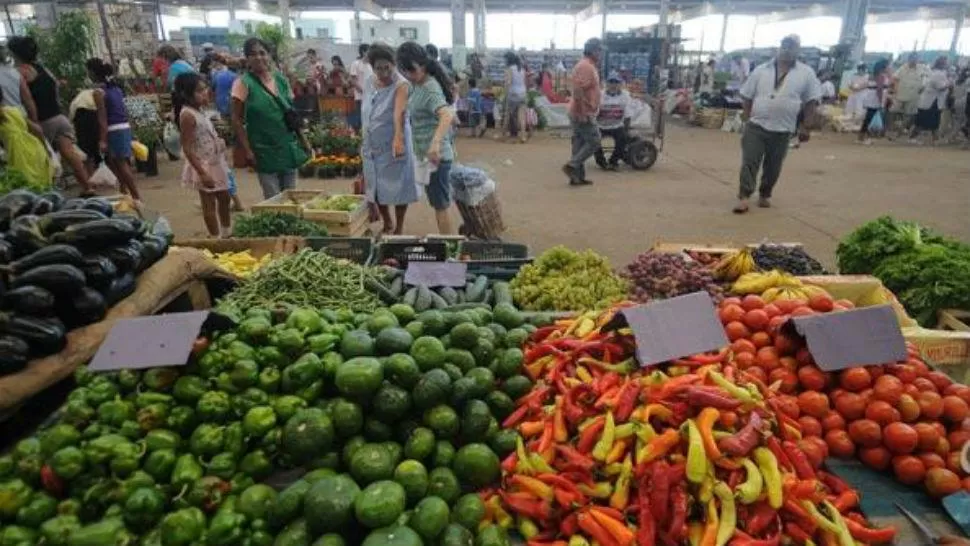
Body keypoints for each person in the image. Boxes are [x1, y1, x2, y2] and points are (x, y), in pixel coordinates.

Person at [733, 35, 820, 213]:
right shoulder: (761, 70)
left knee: (773, 166)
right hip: (756, 125)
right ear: (778, 48)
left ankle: (765, 193)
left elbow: (811, 101)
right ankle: (744, 196)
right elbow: (747, 95)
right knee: (750, 161)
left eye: (792, 46)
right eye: (784, 45)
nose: (787, 49)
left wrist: (806, 126)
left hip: (783, 128)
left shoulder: (806, 73)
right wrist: (748, 117)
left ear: (798, 50)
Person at [7, 36, 92, 194]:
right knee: (70, 155)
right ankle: (88, 187)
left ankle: (48, 192)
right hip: (59, 118)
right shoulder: (43, 69)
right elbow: (56, 88)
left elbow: (27, 100)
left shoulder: (20, 72)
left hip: (43, 122)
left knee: (41, 158)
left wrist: (32, 121)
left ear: (15, 54)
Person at [231, 37, 309, 199]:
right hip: (263, 150)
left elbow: (291, 114)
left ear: (269, 56)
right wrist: (247, 150)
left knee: (291, 196)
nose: (258, 57)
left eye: (262, 53)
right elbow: (236, 119)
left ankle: (290, 225)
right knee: (273, 198)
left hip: (287, 145)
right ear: (247, 58)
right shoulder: (243, 84)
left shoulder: (280, 80)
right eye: (253, 54)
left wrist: (304, 141)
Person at [396, 41, 455, 235]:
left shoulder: (429, 87)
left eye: (411, 70)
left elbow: (447, 114)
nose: (408, 75)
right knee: (438, 203)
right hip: (427, 156)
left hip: (437, 157)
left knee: (441, 206)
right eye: (405, 71)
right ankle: (450, 245)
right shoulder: (416, 84)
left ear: (421, 64)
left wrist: (435, 144)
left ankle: (450, 247)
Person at [360, 43, 417, 235]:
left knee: (399, 187)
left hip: (395, 143)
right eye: (378, 68)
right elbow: (366, 108)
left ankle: (399, 227)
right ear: (372, 67)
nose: (383, 72)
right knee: (375, 187)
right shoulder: (369, 81)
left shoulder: (401, 84)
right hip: (372, 144)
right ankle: (387, 222)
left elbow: (399, 112)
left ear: (394, 64)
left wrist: (398, 138)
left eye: (387, 67)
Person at [173, 72, 232, 237]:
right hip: (204, 165)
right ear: (186, 94)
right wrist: (202, 172)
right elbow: (187, 147)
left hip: (216, 162)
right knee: (208, 203)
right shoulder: (187, 115)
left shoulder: (200, 111)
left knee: (225, 197)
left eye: (205, 89)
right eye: (199, 91)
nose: (205, 93)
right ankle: (215, 238)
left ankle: (227, 232)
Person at [87, 58, 141, 202]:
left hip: (113, 129)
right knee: (118, 162)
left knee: (120, 164)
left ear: (92, 73)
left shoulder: (98, 92)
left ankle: (135, 195)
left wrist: (102, 139)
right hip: (124, 126)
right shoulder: (116, 89)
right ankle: (124, 191)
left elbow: (102, 118)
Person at [562, 38, 603, 186]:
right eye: (599, 50)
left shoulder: (587, 65)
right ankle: (572, 165)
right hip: (582, 111)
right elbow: (578, 90)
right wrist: (583, 112)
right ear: (592, 51)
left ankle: (576, 177)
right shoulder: (586, 67)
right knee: (594, 141)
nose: (601, 53)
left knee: (579, 143)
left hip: (580, 110)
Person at [0, 86, 53, 190]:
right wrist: (46, 149)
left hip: (19, 157)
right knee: (43, 188)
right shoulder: (14, 110)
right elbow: (38, 130)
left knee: (28, 191)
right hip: (36, 150)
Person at [594, 72, 634, 171]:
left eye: (616, 82)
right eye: (611, 82)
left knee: (623, 139)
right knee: (593, 141)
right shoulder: (599, 95)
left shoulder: (625, 95)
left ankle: (613, 161)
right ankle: (602, 163)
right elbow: (593, 112)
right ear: (606, 84)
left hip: (617, 126)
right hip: (600, 126)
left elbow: (628, 115)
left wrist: (626, 130)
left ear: (620, 84)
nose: (613, 85)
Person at [910, 56, 951, 145]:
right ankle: (914, 137)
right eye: (946, 62)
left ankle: (935, 139)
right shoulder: (938, 74)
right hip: (932, 101)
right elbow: (940, 87)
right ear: (942, 64)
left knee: (934, 121)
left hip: (932, 100)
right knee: (922, 121)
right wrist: (949, 84)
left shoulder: (935, 72)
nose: (948, 64)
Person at [891, 53, 926, 136]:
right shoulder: (903, 68)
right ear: (909, 59)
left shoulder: (922, 68)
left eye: (916, 59)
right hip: (900, 94)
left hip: (913, 96)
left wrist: (922, 88)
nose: (914, 61)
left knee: (909, 115)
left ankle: (900, 130)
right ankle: (891, 129)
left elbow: (925, 79)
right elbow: (895, 78)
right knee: (893, 111)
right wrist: (895, 91)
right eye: (912, 59)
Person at [857, 58, 890, 145]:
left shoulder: (873, 75)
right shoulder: (881, 76)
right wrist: (881, 102)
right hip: (875, 99)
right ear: (884, 67)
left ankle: (862, 135)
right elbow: (879, 89)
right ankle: (863, 136)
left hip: (871, 97)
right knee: (869, 118)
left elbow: (868, 85)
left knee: (868, 118)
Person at [0, 45, 37, 121]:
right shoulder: (14, 73)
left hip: (4, 123)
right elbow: (28, 101)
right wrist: (35, 121)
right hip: (20, 118)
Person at [499, 51, 528, 143]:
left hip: (513, 95)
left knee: (507, 115)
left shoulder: (509, 69)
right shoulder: (521, 69)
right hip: (522, 94)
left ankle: (503, 135)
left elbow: (508, 83)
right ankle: (523, 136)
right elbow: (524, 82)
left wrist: (504, 94)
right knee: (521, 117)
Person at [349, 44, 372, 131]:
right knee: (360, 118)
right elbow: (353, 80)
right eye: (369, 51)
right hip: (360, 97)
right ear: (363, 52)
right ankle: (358, 137)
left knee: (369, 119)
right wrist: (363, 91)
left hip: (371, 96)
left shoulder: (371, 65)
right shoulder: (356, 63)